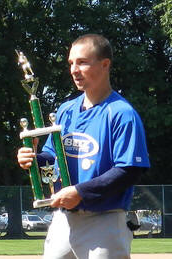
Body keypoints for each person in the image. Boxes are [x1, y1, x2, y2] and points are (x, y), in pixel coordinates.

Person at [17, 34, 150, 259]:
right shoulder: (66, 110)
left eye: (82, 62)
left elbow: (129, 170)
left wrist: (80, 192)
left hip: (104, 220)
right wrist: (33, 159)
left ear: (105, 64)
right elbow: (53, 157)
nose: (74, 70)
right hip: (63, 219)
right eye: (71, 63)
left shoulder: (121, 113)